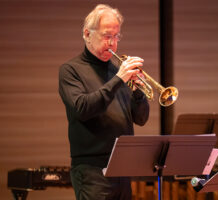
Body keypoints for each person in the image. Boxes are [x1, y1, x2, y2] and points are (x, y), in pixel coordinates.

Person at [58, 4, 149, 200]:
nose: (113, 43)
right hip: (92, 170)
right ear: (87, 34)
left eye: (117, 37)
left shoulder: (117, 70)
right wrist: (119, 79)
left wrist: (138, 92)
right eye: (107, 36)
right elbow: (82, 108)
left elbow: (140, 119)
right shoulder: (71, 70)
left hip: (122, 167)